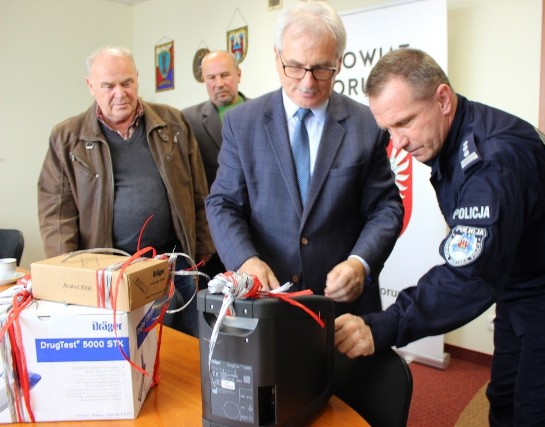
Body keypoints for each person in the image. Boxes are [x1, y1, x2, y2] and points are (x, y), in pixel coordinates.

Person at [335, 48, 545, 426]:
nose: (397, 144)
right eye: (389, 130)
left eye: (404, 123)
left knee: (542, 412)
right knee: (505, 400)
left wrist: (384, 326)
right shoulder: (453, 140)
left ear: (442, 99)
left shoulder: (492, 159)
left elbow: (469, 274)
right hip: (520, 280)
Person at [205, 1, 403, 316]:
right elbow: (222, 204)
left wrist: (359, 263)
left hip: (342, 308)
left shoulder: (367, 124)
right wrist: (246, 260)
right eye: (294, 66)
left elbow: (385, 207)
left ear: (339, 62)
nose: (308, 82)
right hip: (266, 301)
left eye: (322, 68)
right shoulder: (242, 124)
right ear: (276, 56)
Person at [37, 46, 214, 337]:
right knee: (130, 347)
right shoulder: (67, 138)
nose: (119, 93)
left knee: (185, 347)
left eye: (127, 82)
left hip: (175, 262)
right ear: (90, 86)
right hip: (111, 273)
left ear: (138, 79)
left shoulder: (173, 123)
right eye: (108, 85)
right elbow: (57, 212)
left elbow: (198, 188)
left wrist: (204, 243)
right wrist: (67, 274)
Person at [183, 50, 248, 280]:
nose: (218, 83)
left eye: (225, 75)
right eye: (211, 78)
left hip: (254, 229)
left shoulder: (260, 114)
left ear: (238, 75)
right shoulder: (187, 120)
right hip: (212, 233)